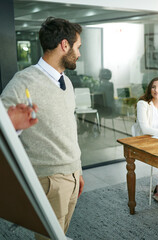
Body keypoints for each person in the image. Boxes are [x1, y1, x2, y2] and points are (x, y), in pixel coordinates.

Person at [1, 17, 84, 239]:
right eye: (78, 47)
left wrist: (78, 169)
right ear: (64, 45)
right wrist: (13, 126)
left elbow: (69, 127)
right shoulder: (23, 82)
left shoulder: (67, 81)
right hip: (49, 180)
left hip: (73, 173)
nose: (79, 53)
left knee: (63, 233)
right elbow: (3, 126)